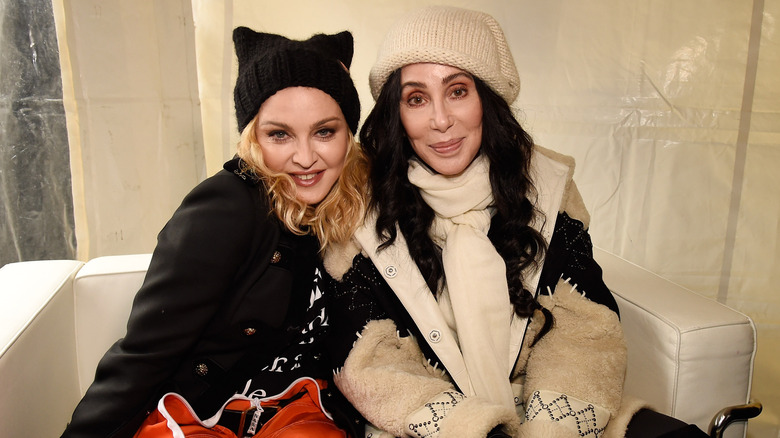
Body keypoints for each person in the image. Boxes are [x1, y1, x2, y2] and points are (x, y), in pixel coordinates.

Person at [321, 6, 708, 438]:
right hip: (425, 421)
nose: (440, 120)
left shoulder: (547, 187)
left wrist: (549, 429)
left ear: (486, 99)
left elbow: (584, 326)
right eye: (416, 98)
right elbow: (370, 361)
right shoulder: (356, 205)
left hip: (546, 403)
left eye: (457, 91)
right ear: (397, 113)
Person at [61, 27, 367, 438]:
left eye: (324, 132)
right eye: (280, 134)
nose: (306, 157)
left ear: (348, 136)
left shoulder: (352, 206)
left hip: (299, 408)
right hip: (202, 410)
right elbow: (146, 351)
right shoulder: (226, 208)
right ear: (252, 138)